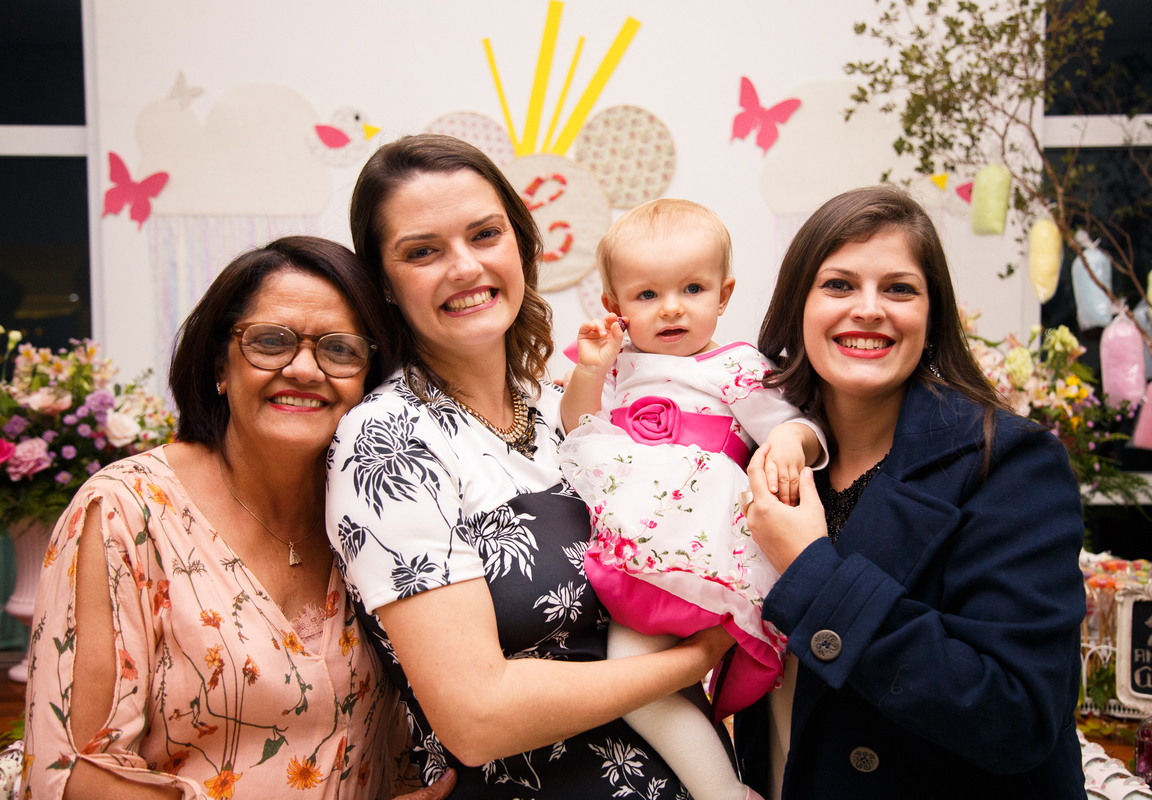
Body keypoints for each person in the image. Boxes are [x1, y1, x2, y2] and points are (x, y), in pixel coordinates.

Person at [328, 134, 735, 797]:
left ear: (521, 245)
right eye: (423, 251)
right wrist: (699, 657)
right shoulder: (388, 441)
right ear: (384, 285)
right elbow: (477, 719)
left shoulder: (566, 404)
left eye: (485, 234)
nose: (465, 266)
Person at [23, 237, 456, 800]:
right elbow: (72, 774)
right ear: (218, 366)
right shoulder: (126, 512)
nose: (304, 369)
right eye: (270, 342)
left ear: (369, 379)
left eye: (340, 350)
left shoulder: (379, 512)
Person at [734, 186, 1087, 799]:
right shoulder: (757, 453)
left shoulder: (1009, 462)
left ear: (932, 315)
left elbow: (1017, 714)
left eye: (899, 289)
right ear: (797, 305)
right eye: (838, 285)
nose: (869, 309)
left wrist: (814, 571)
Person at [558, 199, 826, 800]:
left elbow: (803, 427)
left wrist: (790, 439)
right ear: (615, 306)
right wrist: (590, 372)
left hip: (711, 554)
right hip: (634, 568)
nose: (672, 307)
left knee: (663, 686)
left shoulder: (734, 367)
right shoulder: (617, 366)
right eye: (647, 294)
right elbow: (577, 429)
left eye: (693, 288)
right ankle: (725, 792)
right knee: (635, 688)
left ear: (724, 295)